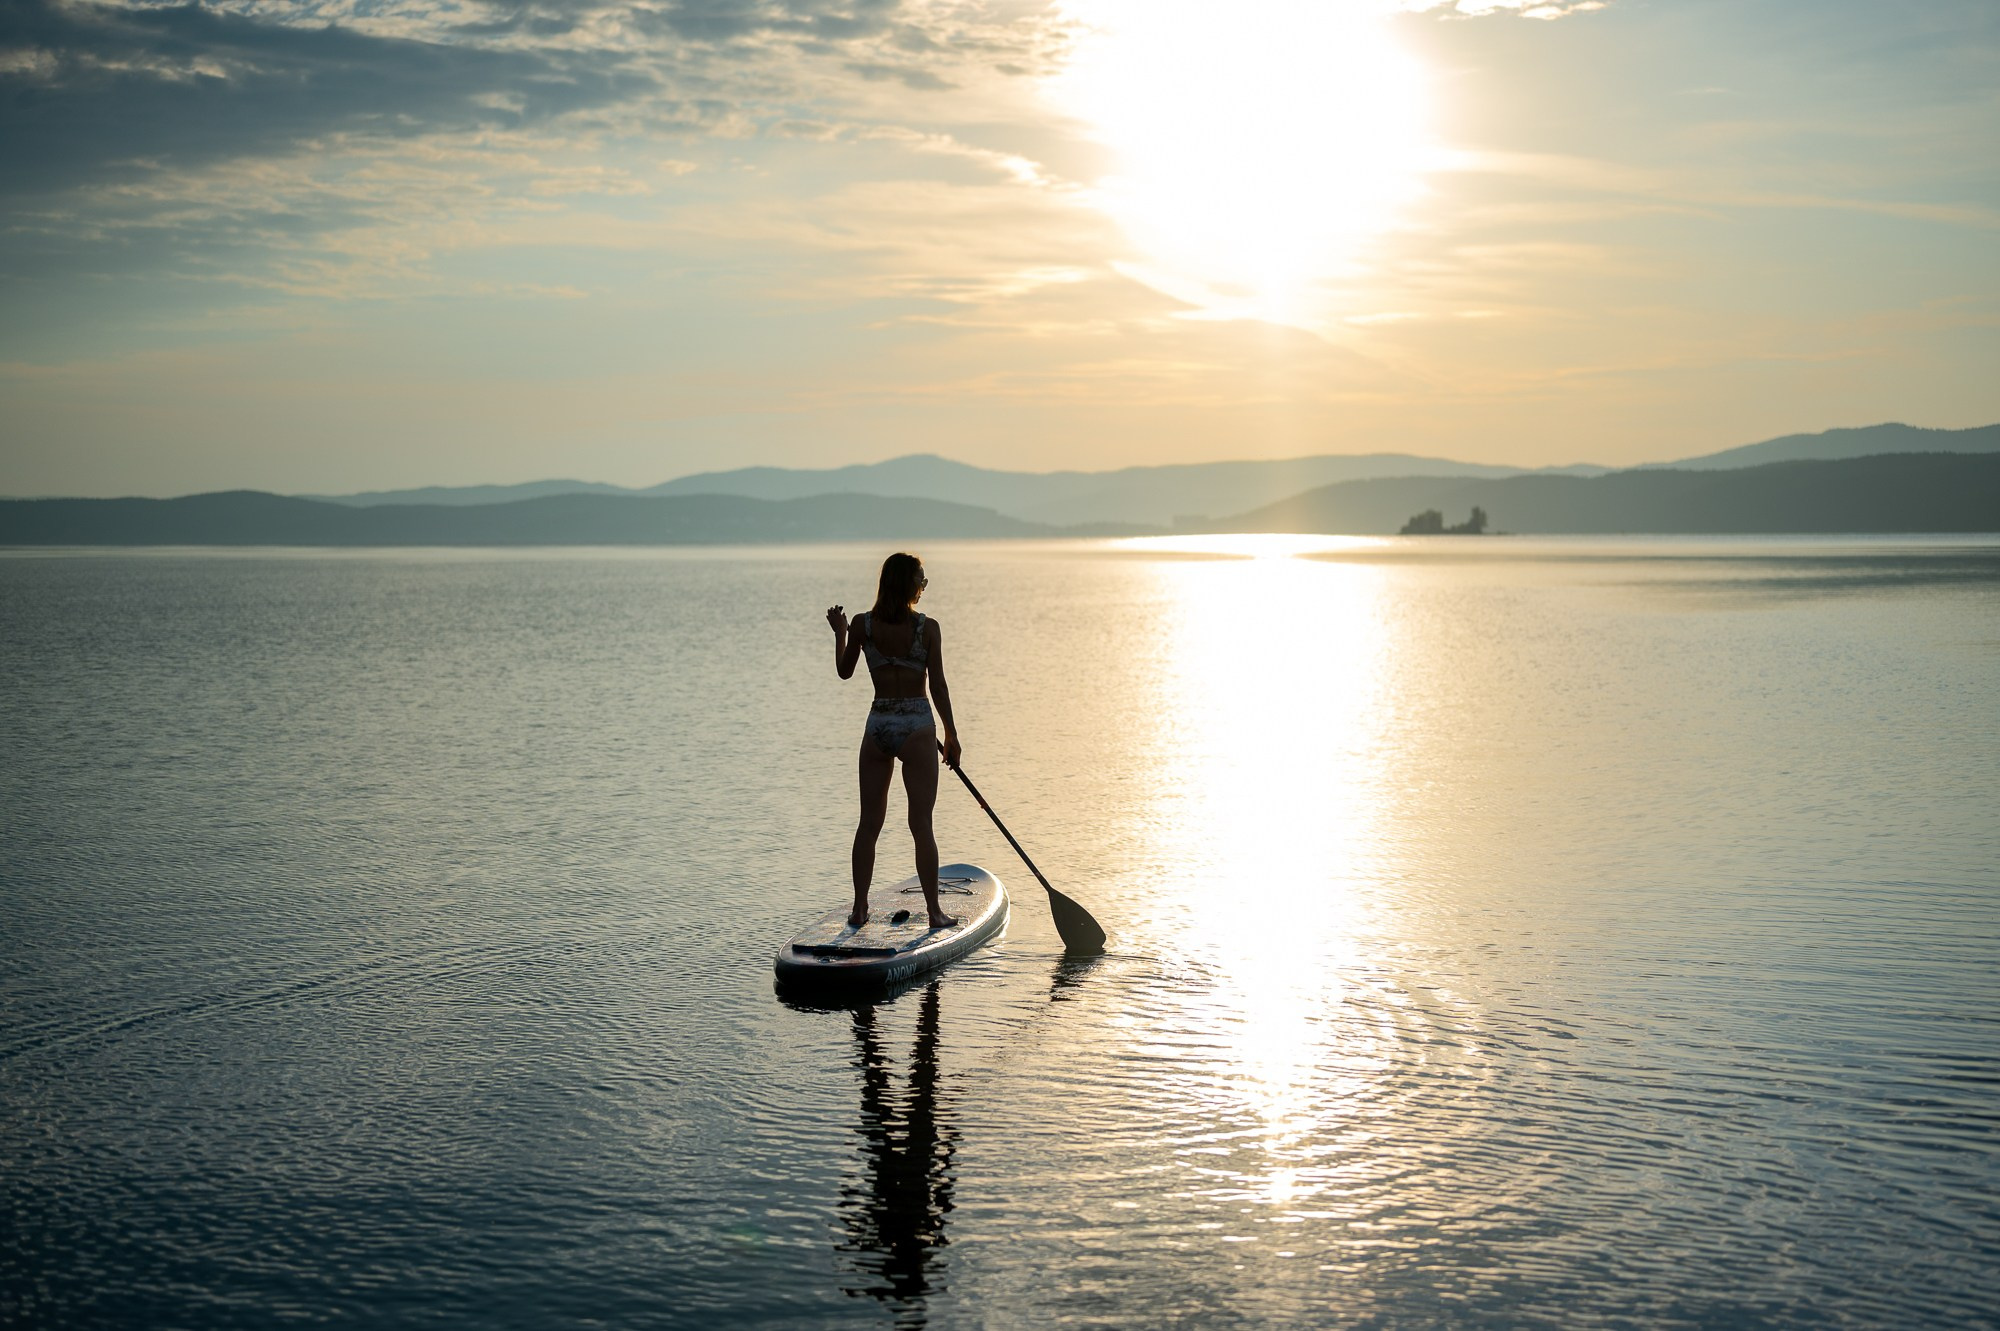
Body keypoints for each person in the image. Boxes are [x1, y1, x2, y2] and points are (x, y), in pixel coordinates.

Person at [826, 552, 962, 931]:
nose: (923, 584)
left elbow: (844, 671)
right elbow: (937, 685)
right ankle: (935, 914)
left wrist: (841, 633)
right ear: (907, 584)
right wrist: (951, 733)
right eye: (921, 578)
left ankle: (859, 909)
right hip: (917, 727)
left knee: (868, 823)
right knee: (921, 823)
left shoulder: (862, 625)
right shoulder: (928, 628)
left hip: (879, 724)